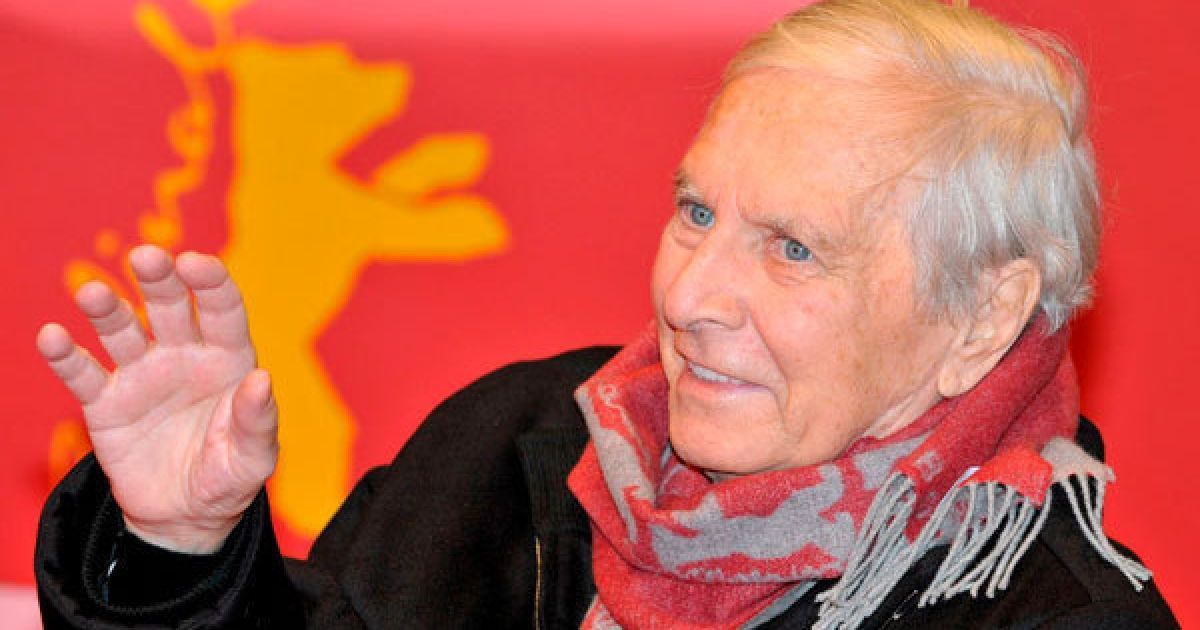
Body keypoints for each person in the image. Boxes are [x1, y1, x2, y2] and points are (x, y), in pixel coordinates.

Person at [33, 0, 1180, 628]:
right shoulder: (514, 442)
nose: (689, 298)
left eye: (794, 249)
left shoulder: (1057, 617)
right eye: (696, 211)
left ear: (981, 318)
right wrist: (177, 548)